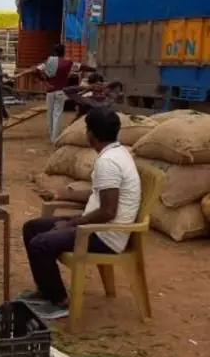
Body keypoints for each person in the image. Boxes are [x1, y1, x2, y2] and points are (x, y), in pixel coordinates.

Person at [19, 109, 141, 320]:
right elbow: (99, 194)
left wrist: (73, 223)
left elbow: (108, 211)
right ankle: (46, 291)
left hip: (105, 235)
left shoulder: (108, 162)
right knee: (32, 228)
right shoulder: (117, 153)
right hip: (97, 224)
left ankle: (60, 301)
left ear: (91, 135)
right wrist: (61, 194)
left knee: (40, 244)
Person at [38, 44, 82, 144]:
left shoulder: (48, 62)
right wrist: (94, 69)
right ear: (64, 52)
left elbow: (38, 70)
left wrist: (46, 83)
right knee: (57, 115)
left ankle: (51, 137)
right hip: (60, 91)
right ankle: (55, 139)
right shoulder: (68, 63)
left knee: (50, 114)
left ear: (54, 52)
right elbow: (81, 67)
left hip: (50, 92)